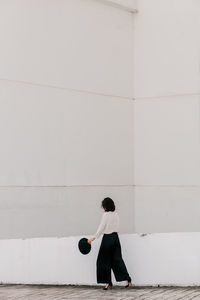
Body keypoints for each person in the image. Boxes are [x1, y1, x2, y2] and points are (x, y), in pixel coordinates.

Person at [88, 197, 132, 290]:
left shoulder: (105, 215)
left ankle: (107, 283)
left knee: (103, 261)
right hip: (116, 238)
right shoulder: (116, 215)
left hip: (107, 239)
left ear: (105, 207)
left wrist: (94, 237)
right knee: (118, 260)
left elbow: (101, 227)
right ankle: (128, 280)